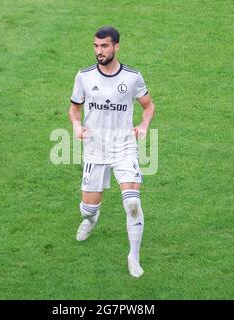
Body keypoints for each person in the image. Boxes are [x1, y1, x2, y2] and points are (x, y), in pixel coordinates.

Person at [68, 26, 156, 278]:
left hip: (124, 147)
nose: (99, 51)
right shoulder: (84, 77)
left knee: (132, 203)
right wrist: (76, 125)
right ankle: (91, 220)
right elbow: (74, 108)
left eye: (104, 46)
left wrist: (144, 124)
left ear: (116, 46)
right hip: (95, 149)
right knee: (88, 208)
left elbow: (148, 106)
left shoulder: (132, 77)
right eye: (96, 46)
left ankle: (134, 257)